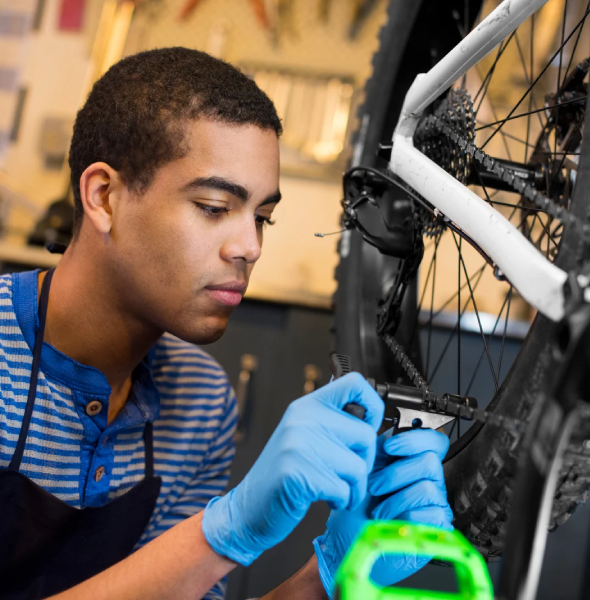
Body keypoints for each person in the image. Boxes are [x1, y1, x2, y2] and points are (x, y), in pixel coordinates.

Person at [0, 48, 452, 600]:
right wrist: (225, 533)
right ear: (103, 196)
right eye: (214, 206)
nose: (250, 246)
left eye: (262, 217)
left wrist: (333, 573)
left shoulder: (203, 402)